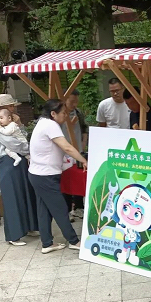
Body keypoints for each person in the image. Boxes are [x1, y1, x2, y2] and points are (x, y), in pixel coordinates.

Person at [28, 99, 88, 254]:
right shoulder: (50, 125)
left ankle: (47, 243)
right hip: (45, 176)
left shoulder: (42, 123)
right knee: (60, 208)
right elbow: (67, 147)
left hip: (38, 174)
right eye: (63, 113)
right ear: (53, 113)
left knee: (44, 210)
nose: (65, 116)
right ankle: (74, 241)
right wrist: (83, 160)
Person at [0, 94, 38, 245]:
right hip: (7, 159)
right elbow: (10, 142)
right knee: (12, 196)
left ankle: (29, 226)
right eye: (10, 106)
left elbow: (22, 135)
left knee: (25, 192)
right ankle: (14, 234)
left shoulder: (12, 119)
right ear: (1, 107)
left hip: (18, 158)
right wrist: (26, 148)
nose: (13, 108)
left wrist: (20, 124)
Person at [62, 90, 88, 220]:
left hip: (78, 151)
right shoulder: (59, 115)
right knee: (66, 181)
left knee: (78, 179)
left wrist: (83, 143)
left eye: (76, 101)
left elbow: (84, 129)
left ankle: (78, 207)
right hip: (64, 153)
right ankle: (66, 210)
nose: (74, 104)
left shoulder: (78, 113)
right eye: (72, 101)